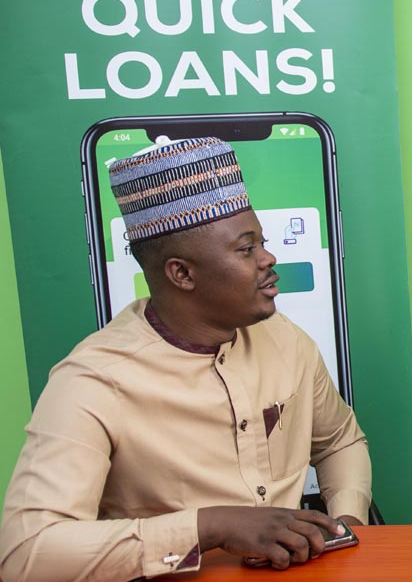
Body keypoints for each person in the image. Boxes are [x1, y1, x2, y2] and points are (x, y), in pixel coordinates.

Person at [0, 138, 372, 580]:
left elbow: (339, 442)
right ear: (182, 273)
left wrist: (345, 524)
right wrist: (211, 526)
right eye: (246, 249)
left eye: (263, 243)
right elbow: (26, 553)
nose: (269, 258)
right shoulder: (92, 382)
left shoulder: (285, 339)